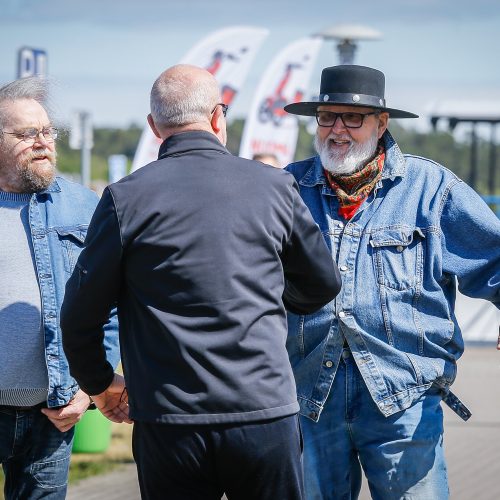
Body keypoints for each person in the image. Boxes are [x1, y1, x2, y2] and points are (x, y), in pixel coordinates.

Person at [61, 64, 341, 500]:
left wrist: (100, 385)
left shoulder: (124, 198)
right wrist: (268, 294)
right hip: (263, 413)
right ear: (217, 117)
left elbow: (80, 315)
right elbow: (322, 284)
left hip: (169, 421)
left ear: (155, 126)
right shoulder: (275, 187)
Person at [283, 64, 500, 499]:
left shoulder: (430, 189)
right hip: (308, 398)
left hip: (404, 399)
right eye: (327, 117)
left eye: (352, 118)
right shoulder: (286, 189)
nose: (337, 130)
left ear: (382, 124)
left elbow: (494, 258)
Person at [0, 76, 120, 500]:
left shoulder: (85, 206)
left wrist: (90, 389)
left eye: (48, 131)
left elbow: (112, 306)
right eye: (27, 133)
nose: (42, 142)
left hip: (54, 410)